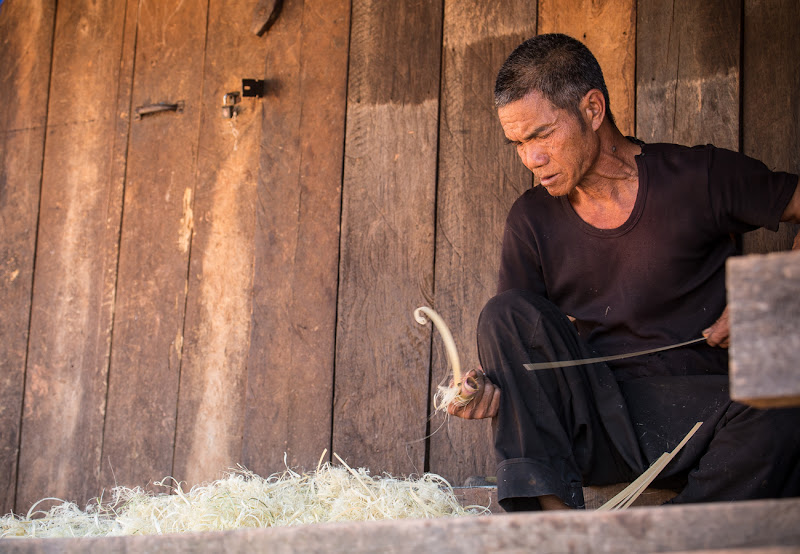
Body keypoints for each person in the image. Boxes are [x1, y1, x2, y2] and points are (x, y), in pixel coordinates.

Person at [447, 33, 800, 512]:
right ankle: (555, 530)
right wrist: (486, 390)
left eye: (541, 135)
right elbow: (518, 350)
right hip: (594, 424)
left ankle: (675, 539)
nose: (531, 159)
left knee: (786, 407)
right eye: (517, 143)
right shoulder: (531, 219)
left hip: (706, 418)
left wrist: (777, 292)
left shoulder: (698, 177)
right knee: (504, 313)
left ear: (593, 109)